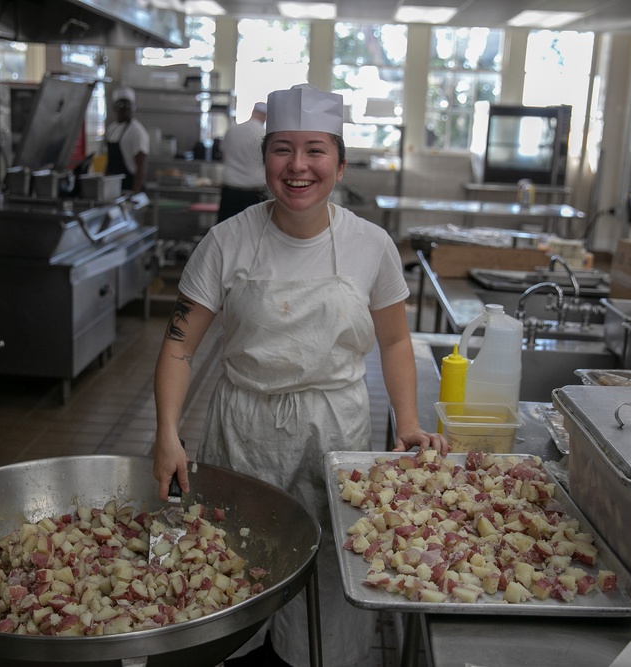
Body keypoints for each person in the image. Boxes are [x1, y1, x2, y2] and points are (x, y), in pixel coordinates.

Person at [151, 83, 448, 667]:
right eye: (282, 149)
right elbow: (179, 345)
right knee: (235, 562)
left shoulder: (372, 246)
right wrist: (166, 432)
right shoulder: (225, 242)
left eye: (315, 150)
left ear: (339, 162)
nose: (298, 166)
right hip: (243, 426)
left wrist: (408, 421)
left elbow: (393, 340)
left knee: (331, 565)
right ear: (264, 160)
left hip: (332, 428)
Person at [215, 101, 269, 224]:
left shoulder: (233, 130)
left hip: (230, 190)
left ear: (253, 112)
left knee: (226, 229)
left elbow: (223, 154)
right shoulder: (264, 134)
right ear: (265, 115)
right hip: (254, 192)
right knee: (253, 232)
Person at [104, 86, 149, 194]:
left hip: (130, 187)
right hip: (114, 188)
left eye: (128, 105)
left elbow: (140, 167)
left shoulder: (137, 131)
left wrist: (134, 195)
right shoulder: (112, 129)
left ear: (133, 107)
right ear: (114, 108)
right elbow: (108, 162)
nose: (124, 108)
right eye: (121, 105)